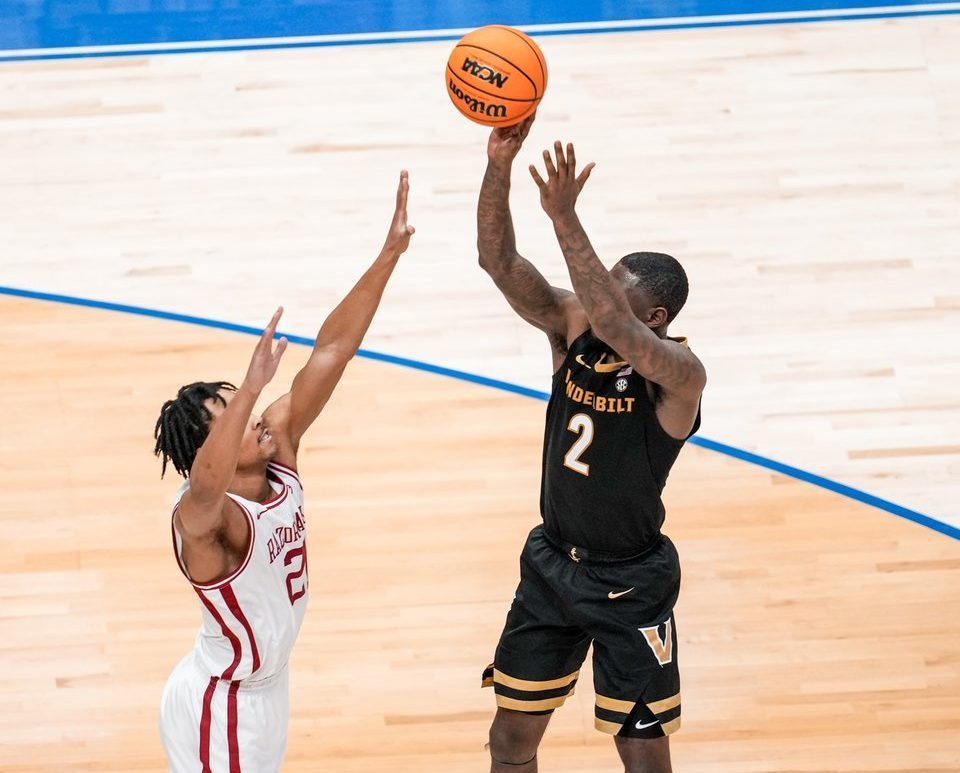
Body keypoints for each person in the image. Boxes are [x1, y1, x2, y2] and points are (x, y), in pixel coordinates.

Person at [153, 172, 415, 772]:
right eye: (237, 418)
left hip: (266, 691)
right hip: (222, 704)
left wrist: (388, 255)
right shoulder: (204, 519)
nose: (258, 420)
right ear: (211, 447)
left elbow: (332, 350)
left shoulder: (280, 448)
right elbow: (205, 480)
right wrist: (248, 385)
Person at [477, 115, 706, 773]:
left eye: (613, 288)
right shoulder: (572, 327)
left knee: (641, 756)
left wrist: (563, 216)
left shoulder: (679, 376)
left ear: (655, 318)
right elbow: (498, 260)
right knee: (509, 741)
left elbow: (612, 318)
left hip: (630, 580)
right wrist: (498, 167)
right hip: (551, 565)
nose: (593, 292)